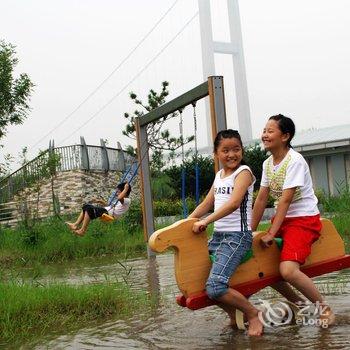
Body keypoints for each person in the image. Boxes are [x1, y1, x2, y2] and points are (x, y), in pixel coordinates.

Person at [251, 114, 335, 326]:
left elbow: (286, 200)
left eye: (270, 131)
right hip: (284, 220)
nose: (265, 135)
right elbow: (261, 199)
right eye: (264, 130)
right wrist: (249, 231)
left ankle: (324, 309)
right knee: (265, 268)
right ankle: (299, 304)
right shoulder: (268, 163)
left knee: (287, 270)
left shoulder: (294, 161)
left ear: (285, 136)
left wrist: (271, 233)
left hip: (303, 220)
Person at [189, 129, 264, 336]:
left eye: (236, 149)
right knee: (201, 286)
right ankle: (234, 316)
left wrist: (205, 221)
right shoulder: (219, 176)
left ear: (242, 150)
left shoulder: (244, 173)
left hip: (237, 237)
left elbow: (233, 204)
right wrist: (185, 224)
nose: (232, 154)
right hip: (218, 237)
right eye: (226, 150)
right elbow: (206, 203)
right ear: (216, 153)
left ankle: (253, 314)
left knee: (215, 286)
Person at [66, 182, 131, 236]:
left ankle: (82, 230)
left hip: (108, 213)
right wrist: (100, 201)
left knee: (89, 208)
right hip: (107, 211)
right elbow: (110, 206)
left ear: (124, 192)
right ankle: (75, 224)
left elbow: (119, 198)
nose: (117, 194)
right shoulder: (122, 201)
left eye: (118, 192)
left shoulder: (127, 200)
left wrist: (125, 189)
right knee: (86, 206)